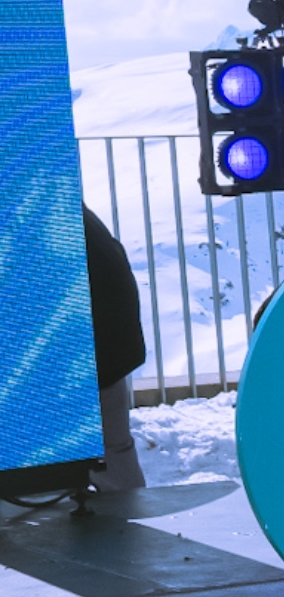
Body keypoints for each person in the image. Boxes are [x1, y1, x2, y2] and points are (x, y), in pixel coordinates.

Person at [84, 204, 148, 493]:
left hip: (88, 342)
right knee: (113, 450)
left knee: (108, 452)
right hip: (105, 336)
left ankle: (126, 523)